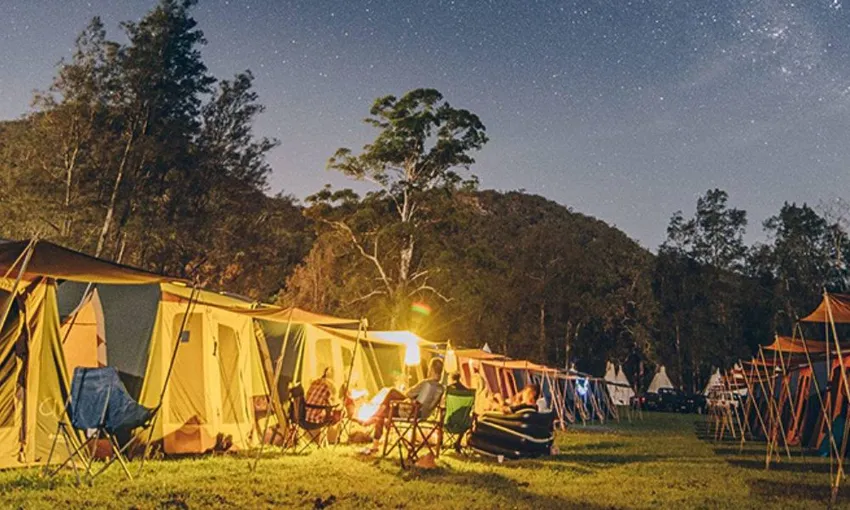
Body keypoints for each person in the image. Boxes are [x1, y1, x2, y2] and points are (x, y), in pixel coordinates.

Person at [361, 357, 444, 454]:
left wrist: (408, 396)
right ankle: (376, 416)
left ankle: (374, 435)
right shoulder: (441, 388)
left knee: (391, 395)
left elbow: (408, 394)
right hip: (423, 415)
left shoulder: (426, 383)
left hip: (410, 412)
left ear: (431, 369)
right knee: (384, 411)